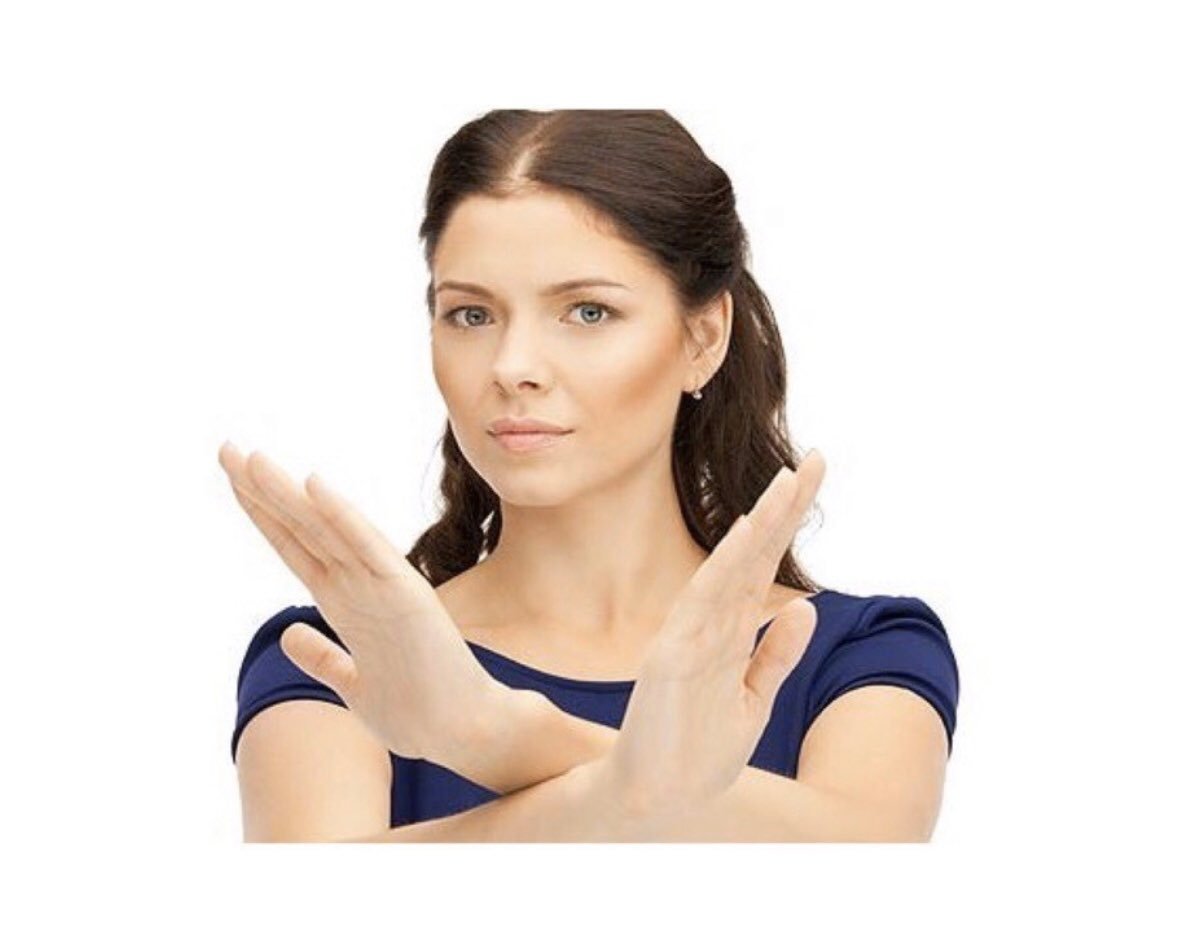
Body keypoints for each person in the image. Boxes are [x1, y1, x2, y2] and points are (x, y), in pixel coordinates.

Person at [227, 109, 959, 842]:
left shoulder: (860, 652)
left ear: (703, 338)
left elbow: (863, 864)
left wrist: (491, 733)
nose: (513, 366)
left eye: (587, 311)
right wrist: (634, 786)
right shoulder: (349, 661)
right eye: (471, 315)